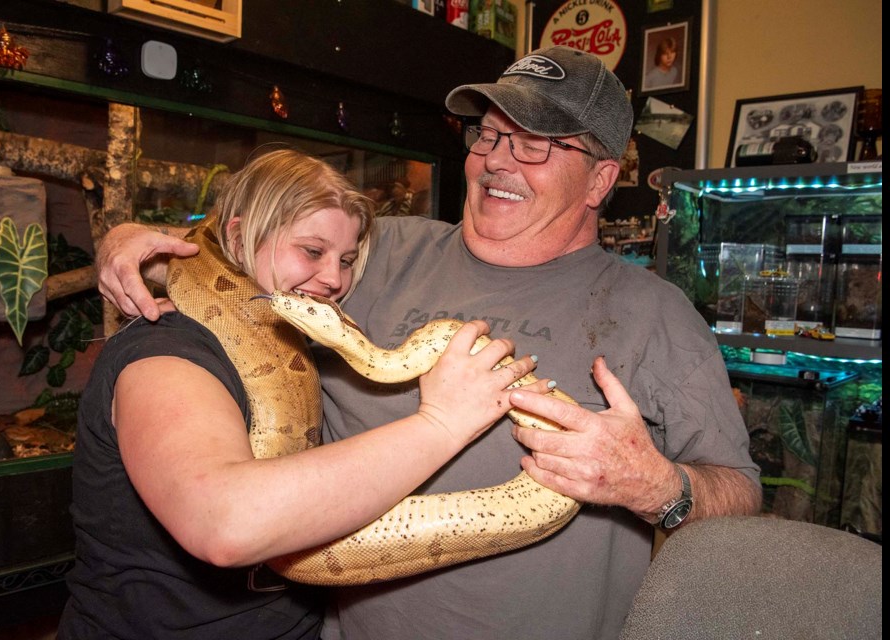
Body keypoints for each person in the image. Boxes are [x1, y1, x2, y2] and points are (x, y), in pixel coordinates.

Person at [95, 48, 763, 640]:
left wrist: (657, 486)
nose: (498, 158)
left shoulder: (657, 315)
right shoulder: (377, 251)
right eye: (491, 133)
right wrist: (129, 238)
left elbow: (739, 493)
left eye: (535, 144)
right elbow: (245, 245)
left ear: (599, 179)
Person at [58, 148, 544, 639]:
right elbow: (224, 523)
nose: (334, 279)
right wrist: (442, 423)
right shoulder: (163, 349)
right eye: (312, 251)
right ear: (237, 236)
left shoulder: (296, 338)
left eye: (348, 260)